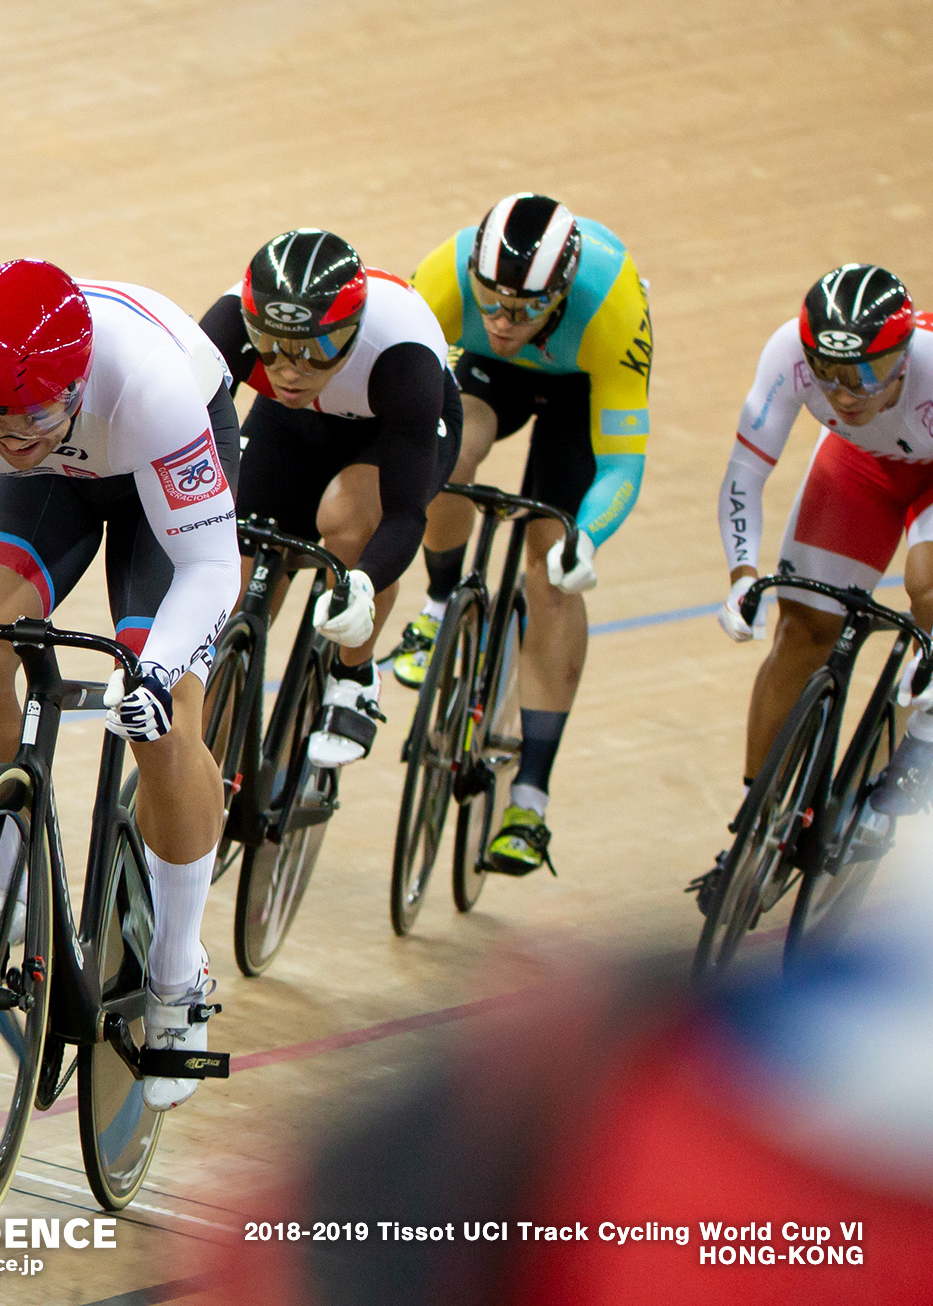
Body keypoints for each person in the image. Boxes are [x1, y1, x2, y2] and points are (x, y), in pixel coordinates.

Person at [0, 260, 240, 1111]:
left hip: (158, 469)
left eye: (31, 415)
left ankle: (179, 974)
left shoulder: (150, 389)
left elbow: (211, 566)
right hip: (57, 484)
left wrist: (155, 669)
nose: (10, 435)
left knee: (165, 717)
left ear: (72, 385)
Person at [395, 194, 653, 875]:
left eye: (526, 310)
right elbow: (396, 389)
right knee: (448, 448)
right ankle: (440, 601)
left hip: (580, 388)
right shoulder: (447, 273)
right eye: (491, 302)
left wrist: (587, 537)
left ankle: (529, 800)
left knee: (551, 566)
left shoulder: (613, 306)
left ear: (562, 293)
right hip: (487, 378)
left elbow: (624, 460)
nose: (504, 320)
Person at [702, 267, 933, 894]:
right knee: (802, 625)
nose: (844, 393)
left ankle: (922, 742)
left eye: (864, 374)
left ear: (903, 354)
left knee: (927, 587)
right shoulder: (788, 355)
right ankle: (755, 827)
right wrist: (744, 577)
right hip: (863, 468)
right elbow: (745, 473)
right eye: (828, 374)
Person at [197, 230, 461, 768]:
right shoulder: (227, 327)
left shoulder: (403, 355)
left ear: (352, 332)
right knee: (230, 571)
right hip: (293, 425)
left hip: (389, 428)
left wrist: (362, 582)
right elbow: (185, 448)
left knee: (346, 521)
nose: (291, 369)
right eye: (271, 349)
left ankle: (351, 676)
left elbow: (407, 513)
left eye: (315, 351)